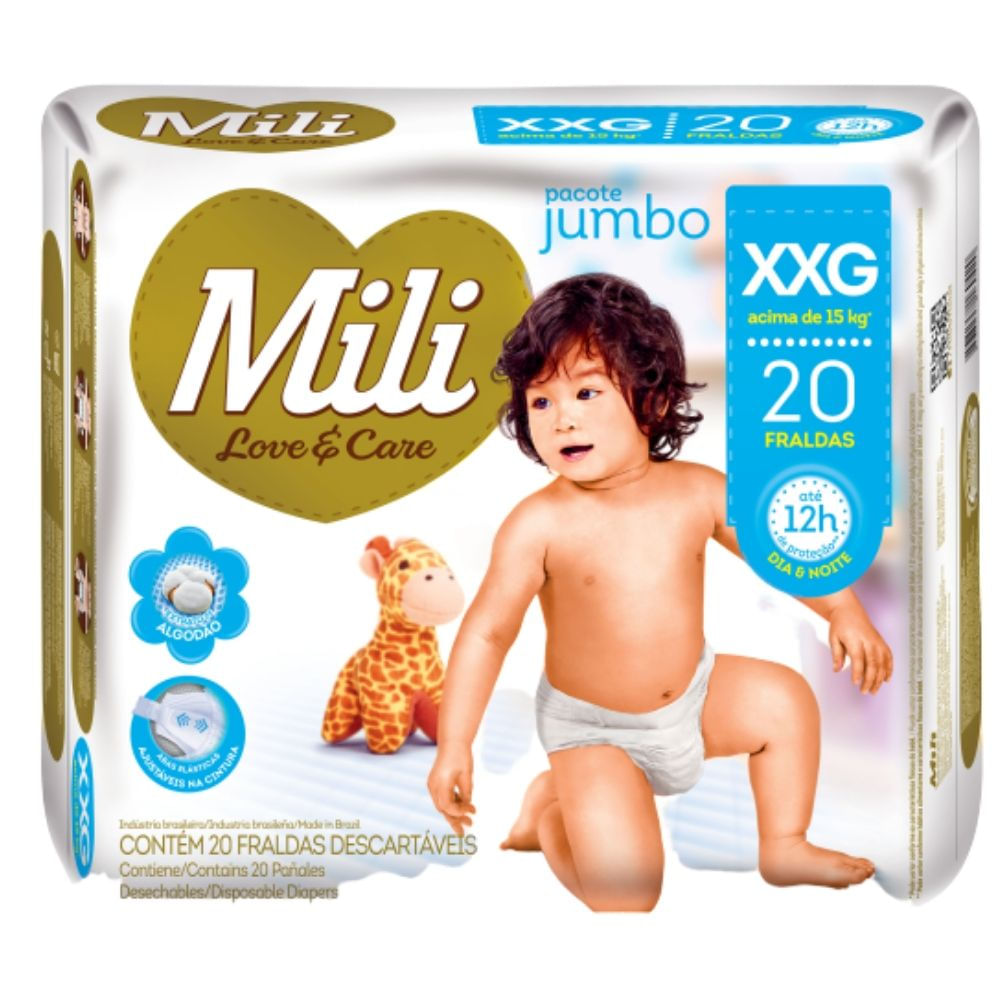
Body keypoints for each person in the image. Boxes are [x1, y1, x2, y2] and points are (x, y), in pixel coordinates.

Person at [427, 273, 892, 911]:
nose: (562, 418)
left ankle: (785, 843)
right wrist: (454, 744)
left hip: (694, 699)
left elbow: (781, 550)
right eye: (540, 402)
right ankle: (553, 815)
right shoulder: (539, 523)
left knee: (784, 699)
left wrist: (842, 608)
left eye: (585, 392)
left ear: (650, 397)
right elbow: (487, 633)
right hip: (592, 730)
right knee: (627, 895)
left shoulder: (696, 491)